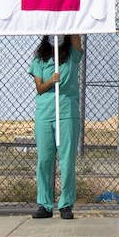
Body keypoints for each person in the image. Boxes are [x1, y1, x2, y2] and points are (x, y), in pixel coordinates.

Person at [28, 33, 85, 219]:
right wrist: (51, 81)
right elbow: (39, 87)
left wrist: (68, 21)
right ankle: (44, 204)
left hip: (67, 113)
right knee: (44, 160)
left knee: (67, 161)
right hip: (45, 115)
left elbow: (76, 37)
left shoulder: (71, 56)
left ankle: (66, 204)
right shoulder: (40, 60)